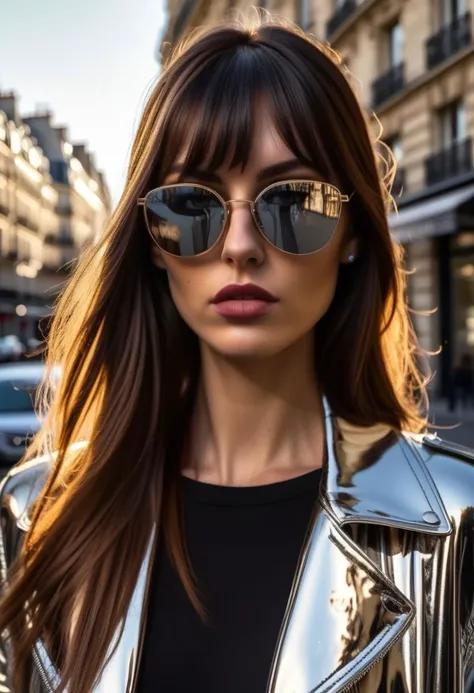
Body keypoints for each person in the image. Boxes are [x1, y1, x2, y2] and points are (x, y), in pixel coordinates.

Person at [1, 16, 474, 693]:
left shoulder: (456, 524)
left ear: (352, 234)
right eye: (193, 205)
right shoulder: (37, 514)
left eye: (295, 201)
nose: (240, 244)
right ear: (153, 245)